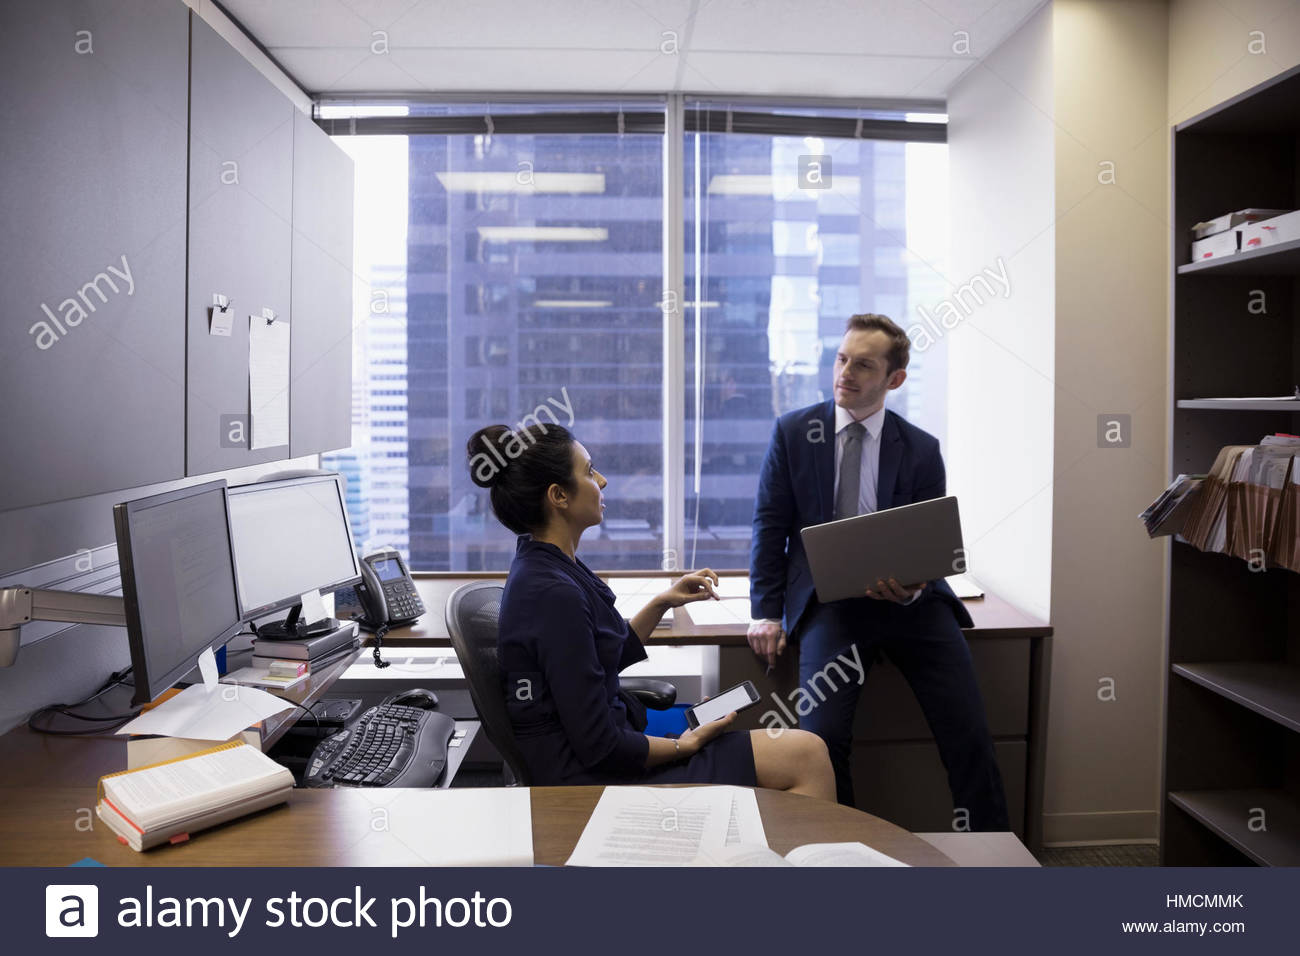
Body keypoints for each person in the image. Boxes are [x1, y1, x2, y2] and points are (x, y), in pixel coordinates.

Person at [467, 422, 834, 799]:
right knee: (806, 754)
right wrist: (682, 747)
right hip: (588, 775)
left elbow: (602, 656)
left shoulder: (550, 565)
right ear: (559, 495)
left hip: (609, 738)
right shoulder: (551, 594)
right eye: (589, 471)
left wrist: (663, 602)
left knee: (740, 728)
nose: (603, 481)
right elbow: (599, 746)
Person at [747, 313, 1010, 830]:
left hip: (914, 609)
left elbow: (930, 543)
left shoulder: (921, 449)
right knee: (820, 742)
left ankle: (992, 855)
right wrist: (766, 613)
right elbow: (768, 526)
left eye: (863, 365)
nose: (845, 372)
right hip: (833, 608)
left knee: (969, 733)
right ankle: (840, 856)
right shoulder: (794, 433)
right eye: (842, 359)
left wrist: (913, 588)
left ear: (894, 379)